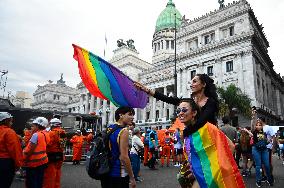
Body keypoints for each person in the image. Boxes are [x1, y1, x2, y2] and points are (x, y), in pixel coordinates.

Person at [177, 98, 243, 188]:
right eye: (178, 110)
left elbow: (230, 146)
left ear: (194, 113)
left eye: (184, 110)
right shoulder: (187, 134)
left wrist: (215, 174)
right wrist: (193, 171)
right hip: (199, 179)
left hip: (214, 181)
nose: (180, 113)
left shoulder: (208, 128)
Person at [135, 73, 219, 135]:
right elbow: (169, 99)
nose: (191, 85)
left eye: (194, 82)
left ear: (203, 84)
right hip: (197, 137)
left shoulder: (210, 102)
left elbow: (202, 121)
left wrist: (185, 132)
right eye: (191, 82)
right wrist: (147, 90)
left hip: (210, 136)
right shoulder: (191, 102)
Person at [100, 107, 136, 188]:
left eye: (133, 115)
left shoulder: (109, 128)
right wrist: (132, 177)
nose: (132, 117)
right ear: (121, 115)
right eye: (130, 114)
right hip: (119, 172)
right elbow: (124, 157)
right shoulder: (124, 131)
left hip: (106, 170)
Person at [23, 117, 50, 188]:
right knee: (39, 180)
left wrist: (24, 159)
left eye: (33, 125)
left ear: (38, 126)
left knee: (31, 182)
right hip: (43, 161)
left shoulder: (36, 135)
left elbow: (30, 150)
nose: (32, 127)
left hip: (33, 163)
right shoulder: (46, 133)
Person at [247, 120, 274, 187]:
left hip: (264, 149)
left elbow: (265, 142)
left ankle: (269, 179)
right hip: (256, 150)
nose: (258, 126)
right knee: (258, 166)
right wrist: (253, 116)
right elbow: (252, 125)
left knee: (267, 165)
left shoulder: (264, 133)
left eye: (260, 125)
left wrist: (269, 141)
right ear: (255, 126)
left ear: (262, 126)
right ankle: (258, 181)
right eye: (257, 125)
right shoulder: (254, 132)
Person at [0, 112, 23, 188]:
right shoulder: (9, 132)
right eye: (10, 121)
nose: (11, 123)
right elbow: (15, 150)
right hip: (5, 163)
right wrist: (18, 164)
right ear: (5, 121)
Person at [43, 118, 66, 188]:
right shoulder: (63, 132)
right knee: (57, 175)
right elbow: (62, 144)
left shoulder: (51, 133)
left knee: (49, 177)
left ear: (52, 124)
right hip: (60, 156)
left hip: (51, 156)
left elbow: (47, 144)